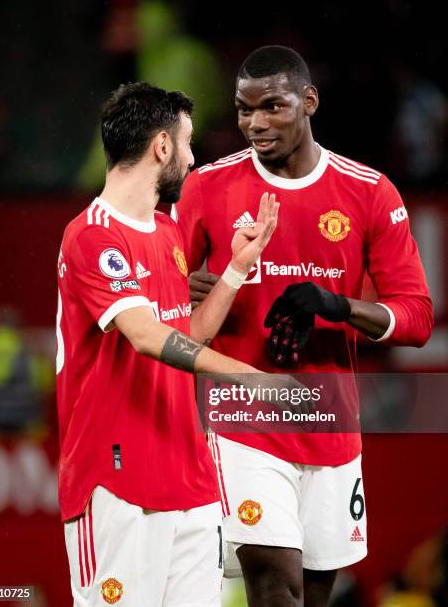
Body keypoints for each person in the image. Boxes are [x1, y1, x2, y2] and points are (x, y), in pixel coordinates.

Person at [175, 46, 434, 606]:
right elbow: (161, 295)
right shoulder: (206, 188)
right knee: (275, 586)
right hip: (242, 418)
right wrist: (190, 285)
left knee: (313, 597)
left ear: (309, 100)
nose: (255, 124)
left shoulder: (368, 192)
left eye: (272, 106)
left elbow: (416, 318)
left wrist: (336, 306)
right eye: (244, 110)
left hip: (331, 423)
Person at [55, 81, 280, 607]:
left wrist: (235, 271)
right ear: (162, 147)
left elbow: (187, 335)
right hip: (115, 483)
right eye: (187, 142)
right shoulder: (91, 235)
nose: (192, 156)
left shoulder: (165, 232)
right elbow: (145, 335)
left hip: (191, 480)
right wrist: (246, 376)